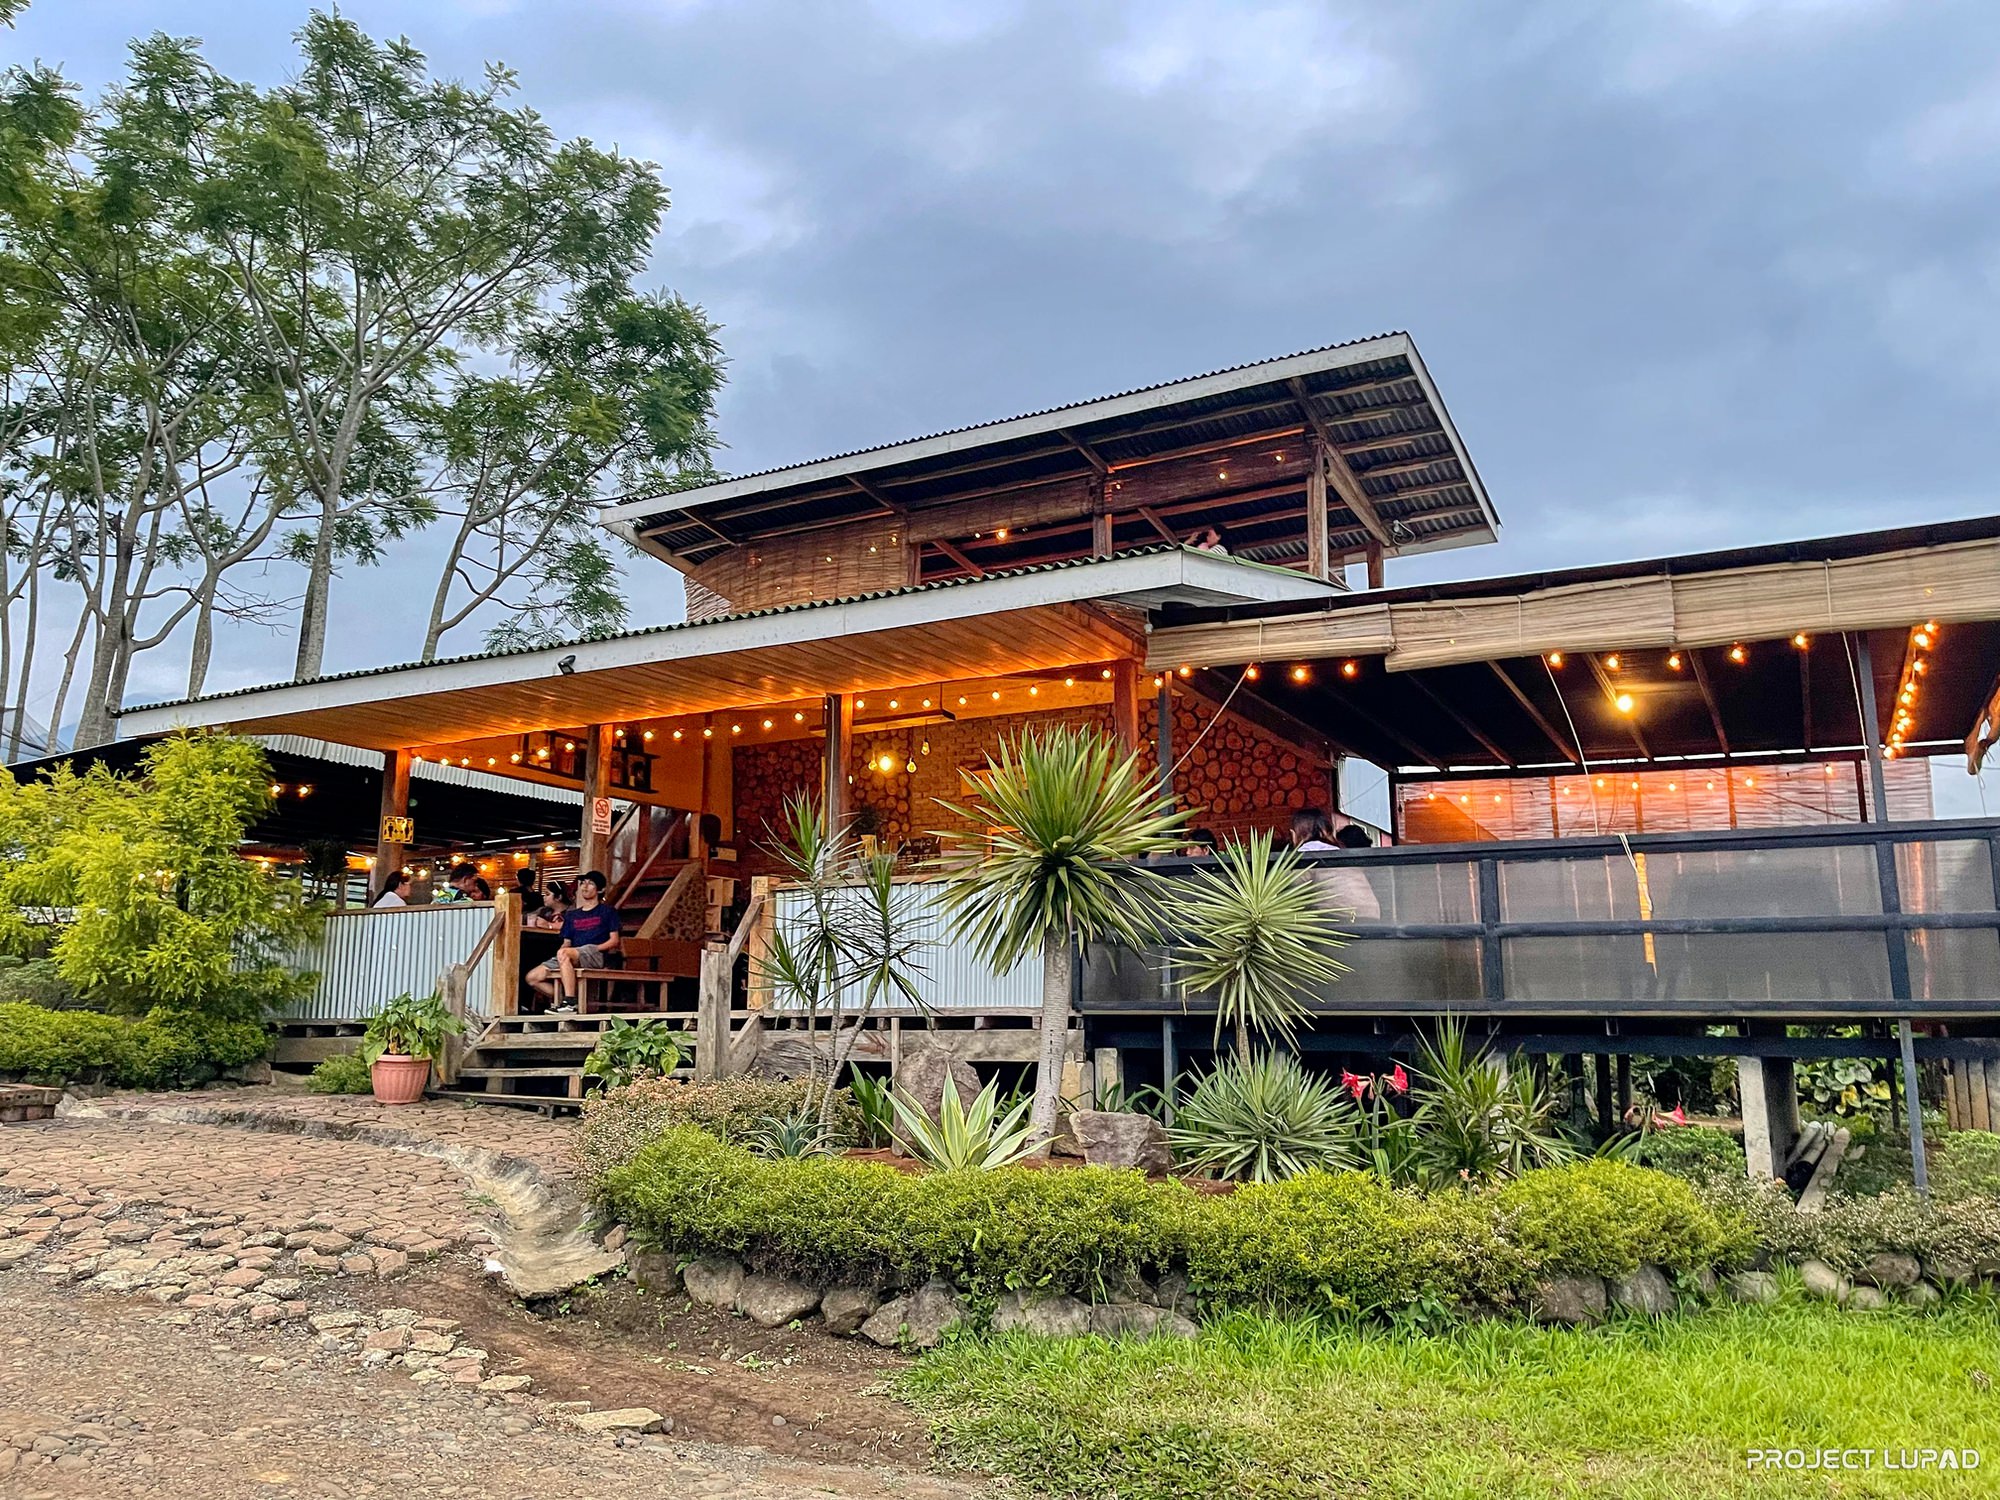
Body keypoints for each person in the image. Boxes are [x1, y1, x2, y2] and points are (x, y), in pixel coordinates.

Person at [526, 870, 622, 1013]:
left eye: (590, 884)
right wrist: (562, 952)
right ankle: (567, 1000)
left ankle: (569, 1002)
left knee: (565, 953)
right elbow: (566, 942)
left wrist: (596, 948)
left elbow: (614, 941)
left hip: (595, 953)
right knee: (532, 977)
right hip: (571, 954)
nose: (585, 886)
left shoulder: (608, 911)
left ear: (600, 889)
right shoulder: (572, 915)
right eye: (583, 883)